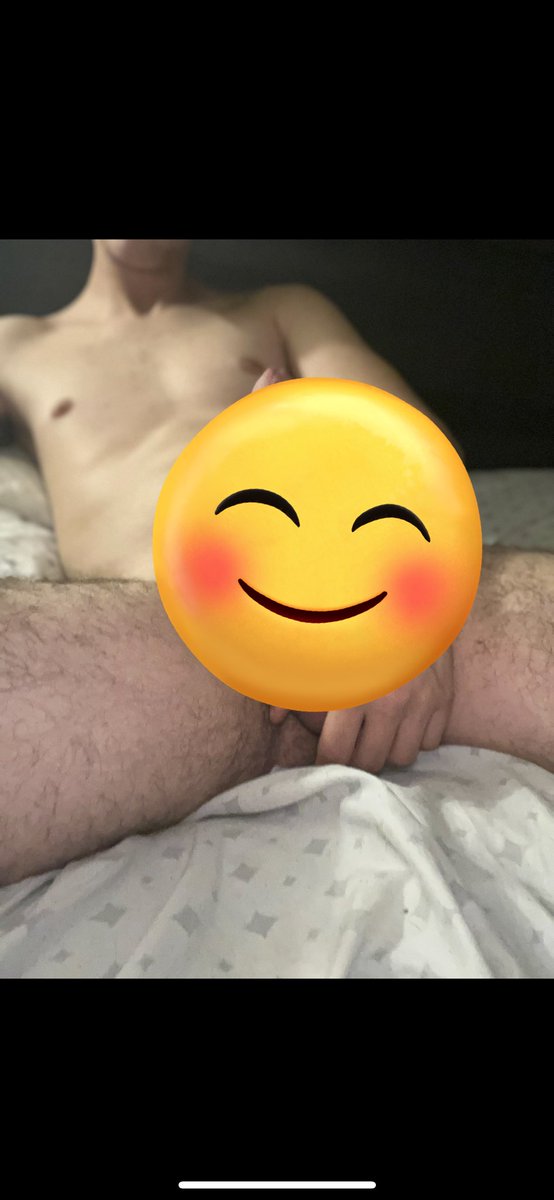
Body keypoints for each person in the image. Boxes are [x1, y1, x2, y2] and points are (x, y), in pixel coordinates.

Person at [0, 240, 552, 885]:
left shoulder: (279, 308)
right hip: (160, 626)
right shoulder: (16, 343)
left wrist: (412, 623)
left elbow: (417, 446)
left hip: (350, 582)